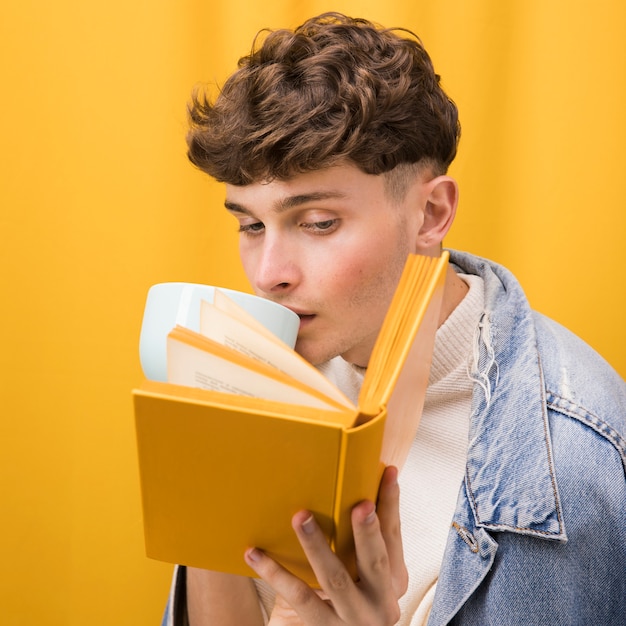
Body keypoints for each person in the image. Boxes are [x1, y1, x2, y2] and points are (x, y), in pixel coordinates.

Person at [161, 12, 626, 625]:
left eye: (318, 222)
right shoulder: (269, 382)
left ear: (431, 213)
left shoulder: (572, 464)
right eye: (250, 225)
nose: (268, 273)